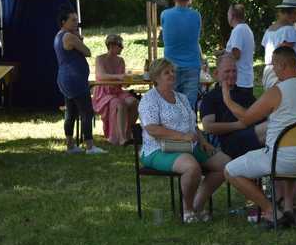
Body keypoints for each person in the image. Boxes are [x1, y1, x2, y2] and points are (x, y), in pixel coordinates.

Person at [223, 46, 296, 228]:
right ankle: (288, 210)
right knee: (287, 156)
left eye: (274, 66)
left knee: (230, 170)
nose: (273, 71)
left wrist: (227, 99)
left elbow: (246, 119)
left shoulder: (278, 91)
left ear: (282, 65)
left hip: (282, 158)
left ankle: (272, 211)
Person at [138, 58, 230, 223]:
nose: (172, 75)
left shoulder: (181, 97)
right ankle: (187, 210)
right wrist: (181, 136)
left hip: (189, 145)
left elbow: (192, 125)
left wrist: (203, 142)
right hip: (158, 149)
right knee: (191, 167)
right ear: (156, 77)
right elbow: (151, 128)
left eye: (173, 71)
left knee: (225, 165)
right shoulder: (149, 99)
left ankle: (198, 204)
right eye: (167, 72)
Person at [54, 8, 107, 155]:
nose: (76, 22)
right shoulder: (70, 37)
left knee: (71, 112)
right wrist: (79, 38)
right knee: (86, 112)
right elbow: (87, 52)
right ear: (63, 22)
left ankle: (71, 146)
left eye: (76, 20)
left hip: (65, 78)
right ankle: (90, 147)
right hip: (74, 79)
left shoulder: (59, 36)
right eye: (73, 20)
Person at [200, 52, 266, 159]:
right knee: (272, 128)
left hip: (253, 137)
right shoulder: (210, 97)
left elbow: (260, 116)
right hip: (229, 142)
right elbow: (208, 127)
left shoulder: (245, 94)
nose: (232, 74)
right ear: (216, 74)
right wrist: (239, 125)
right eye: (227, 71)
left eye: (234, 71)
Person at [92, 34, 138, 146]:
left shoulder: (121, 60)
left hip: (117, 91)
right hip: (103, 93)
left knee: (134, 102)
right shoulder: (100, 59)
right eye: (120, 45)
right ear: (111, 45)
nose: (122, 47)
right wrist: (119, 77)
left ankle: (128, 133)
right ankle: (121, 138)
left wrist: (127, 82)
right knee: (120, 105)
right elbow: (101, 76)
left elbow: (122, 83)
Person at [160, 0, 202, 109]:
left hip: (170, 66)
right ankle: (189, 128)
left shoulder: (164, 14)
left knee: (171, 104)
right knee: (189, 105)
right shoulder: (196, 15)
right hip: (192, 65)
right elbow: (197, 37)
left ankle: (172, 128)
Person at [260, 0, 296, 90]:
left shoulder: (270, 29)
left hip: (269, 71)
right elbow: (284, 55)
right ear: (293, 12)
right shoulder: (289, 30)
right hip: (282, 72)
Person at [225, 4, 255, 98]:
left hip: (238, 81)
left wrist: (223, 58)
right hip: (246, 80)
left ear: (232, 15)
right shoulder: (246, 29)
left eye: (228, 14)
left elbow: (236, 54)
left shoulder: (238, 30)